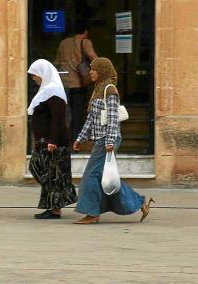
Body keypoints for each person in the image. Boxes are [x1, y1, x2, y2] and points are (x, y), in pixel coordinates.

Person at [72, 57, 155, 224]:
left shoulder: (109, 90)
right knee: (107, 179)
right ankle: (140, 203)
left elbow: (112, 118)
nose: (90, 72)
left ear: (102, 71)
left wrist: (109, 141)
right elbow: (91, 119)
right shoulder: (98, 89)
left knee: (91, 176)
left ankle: (92, 213)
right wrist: (80, 138)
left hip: (107, 140)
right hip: (103, 139)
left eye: (93, 69)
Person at [27, 59, 78, 219]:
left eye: (34, 75)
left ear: (43, 73)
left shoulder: (54, 92)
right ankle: (55, 203)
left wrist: (53, 141)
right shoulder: (46, 91)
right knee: (41, 169)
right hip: (44, 142)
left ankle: (55, 208)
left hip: (53, 143)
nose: (33, 78)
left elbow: (58, 119)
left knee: (53, 174)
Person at [55, 21, 98, 141]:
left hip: (63, 84)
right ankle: (75, 141)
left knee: (64, 115)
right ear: (86, 32)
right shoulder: (85, 42)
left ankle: (63, 140)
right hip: (78, 84)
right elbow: (94, 58)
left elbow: (57, 62)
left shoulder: (63, 43)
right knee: (77, 115)